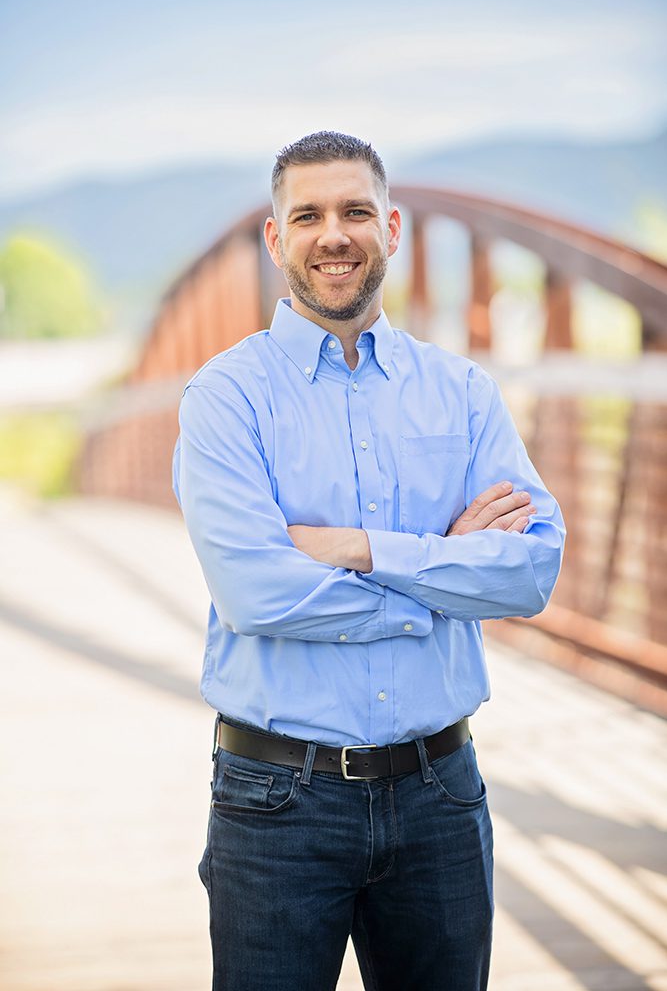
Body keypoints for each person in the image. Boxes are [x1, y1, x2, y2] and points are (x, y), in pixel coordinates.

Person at [172, 130, 565, 991]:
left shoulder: (460, 392)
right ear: (276, 241)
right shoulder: (224, 400)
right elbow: (255, 593)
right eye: (306, 215)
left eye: (355, 211)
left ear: (391, 228)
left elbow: (530, 569)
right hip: (277, 802)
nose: (333, 235)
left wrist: (357, 549)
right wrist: (441, 577)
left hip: (441, 793)